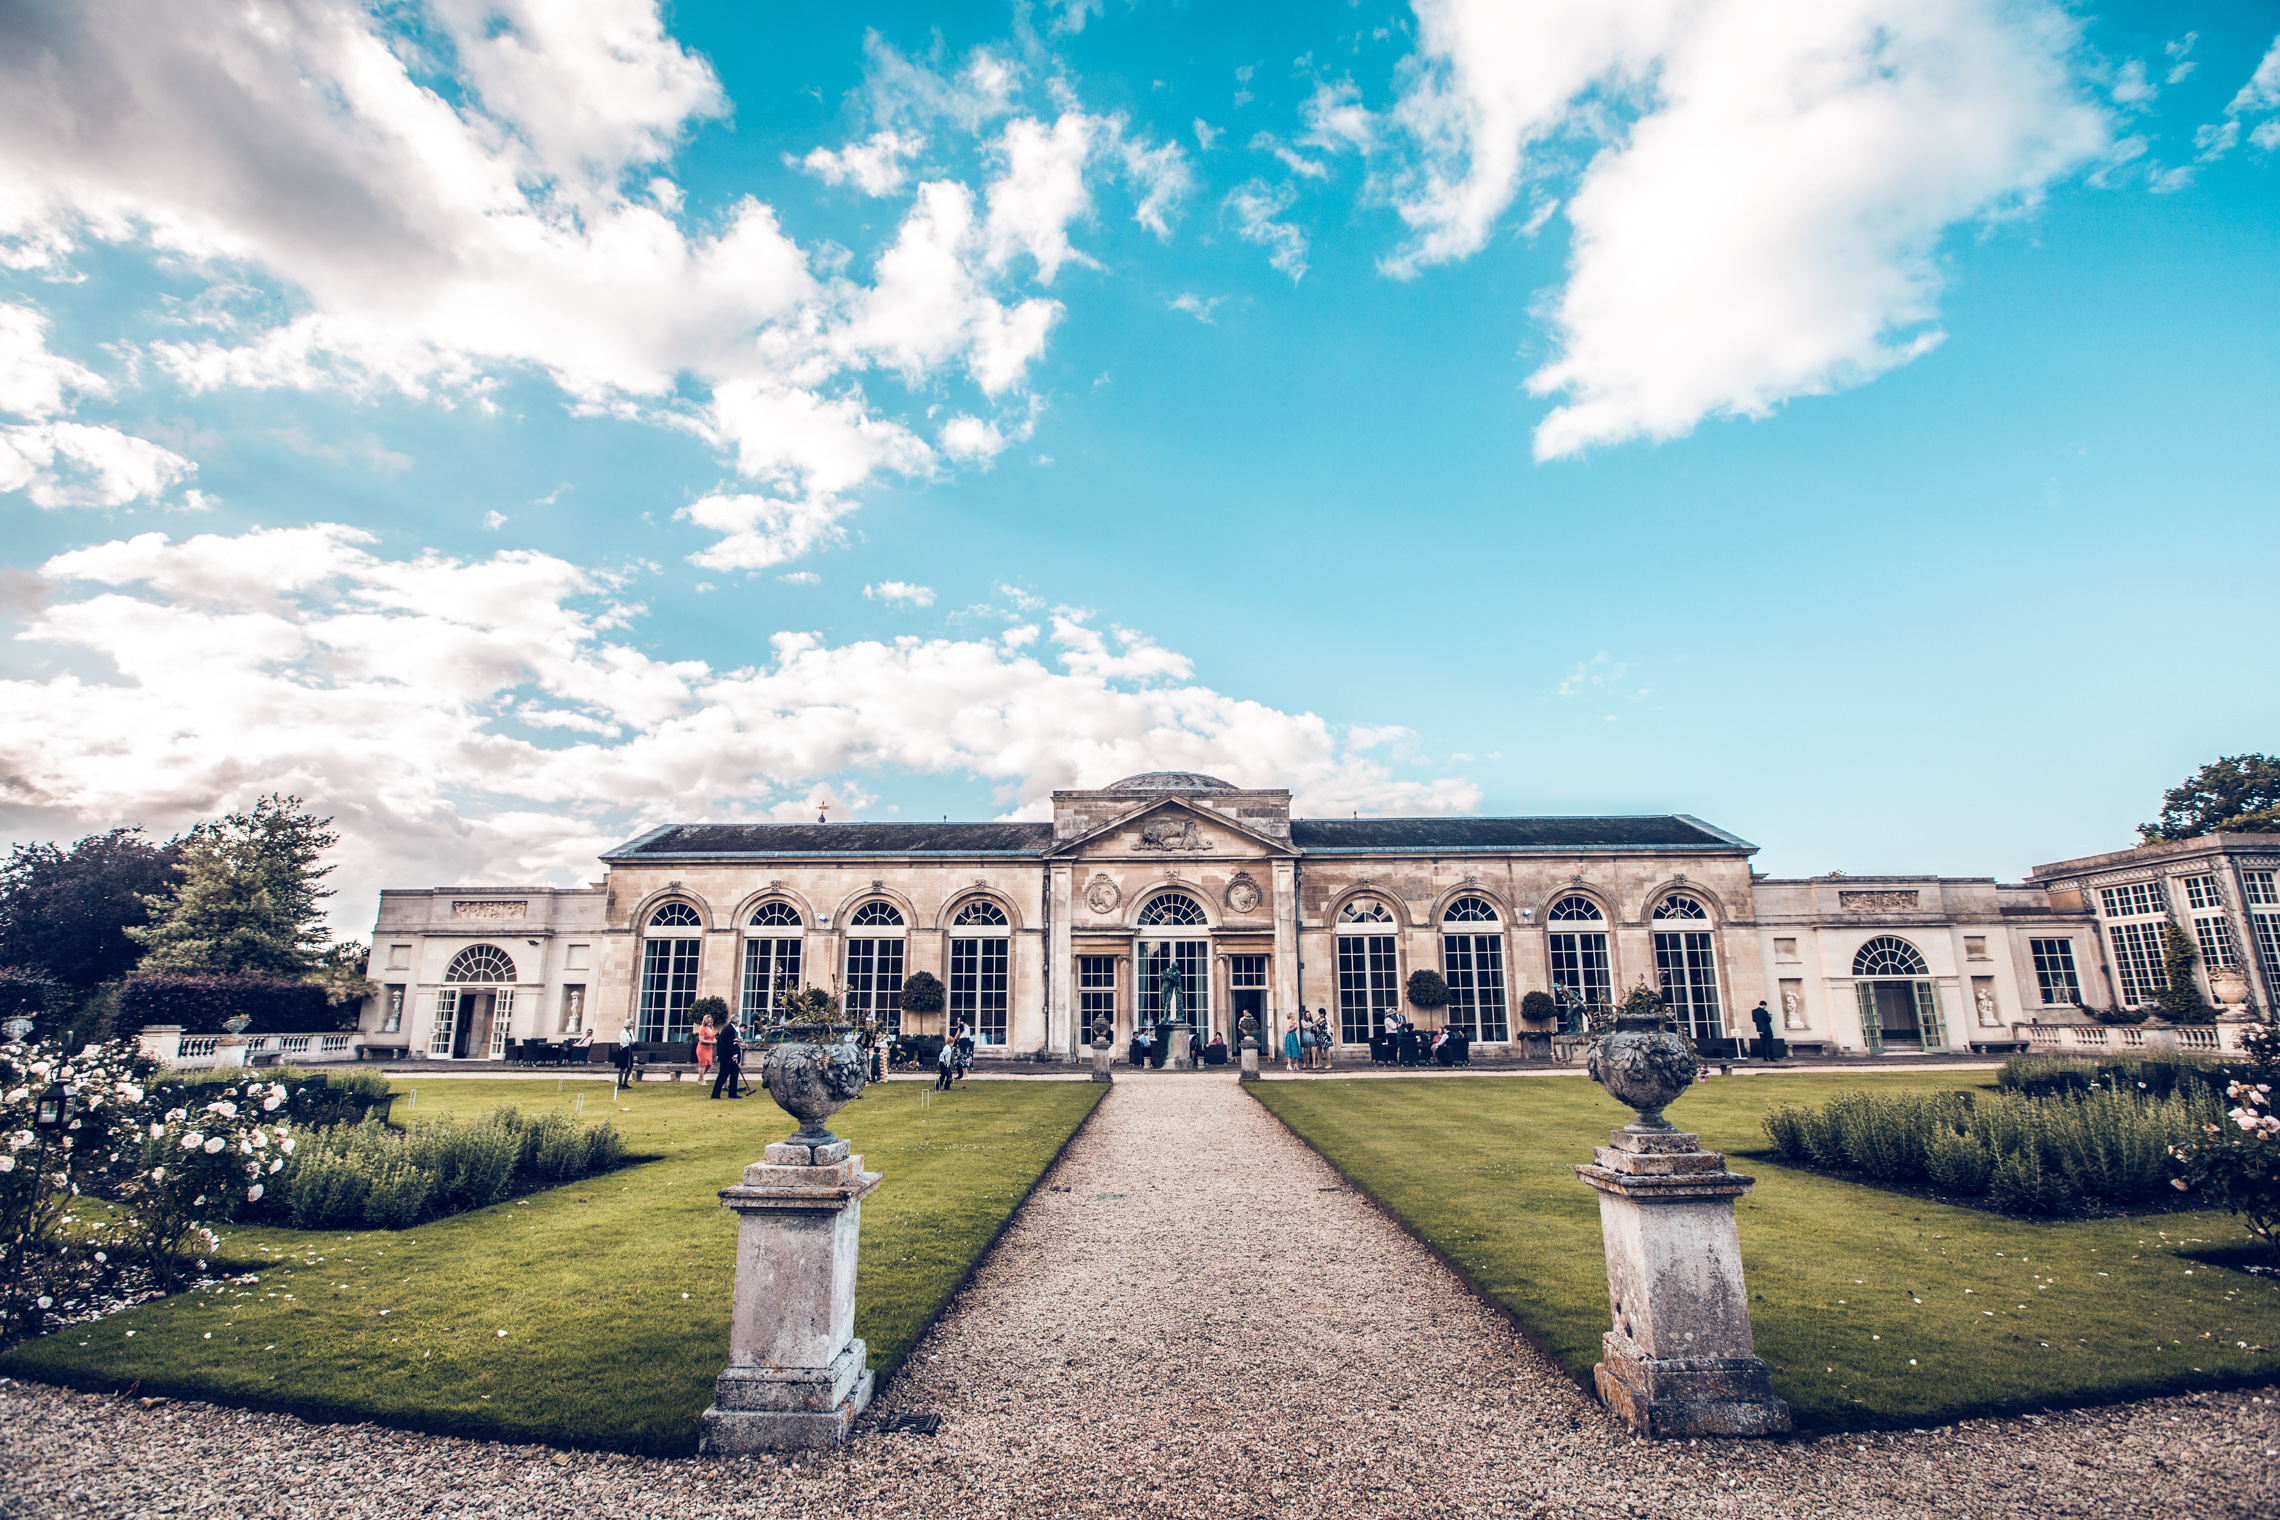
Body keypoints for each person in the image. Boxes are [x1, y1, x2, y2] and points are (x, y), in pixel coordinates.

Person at [710, 1014, 743, 1099]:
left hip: (725, 1056)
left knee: (734, 1073)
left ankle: (732, 1093)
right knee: (723, 1075)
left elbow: (720, 1041)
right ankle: (716, 1094)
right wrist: (734, 1055)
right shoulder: (731, 1030)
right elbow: (731, 1044)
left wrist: (718, 1054)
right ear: (737, 1022)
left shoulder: (726, 1028)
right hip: (728, 1057)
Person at [612, 1018, 635, 1091]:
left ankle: (625, 1082)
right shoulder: (623, 1032)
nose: (632, 1025)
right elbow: (624, 1042)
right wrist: (630, 1041)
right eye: (631, 1024)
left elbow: (633, 1040)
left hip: (629, 1050)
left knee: (630, 1067)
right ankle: (620, 1084)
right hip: (623, 1050)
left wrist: (632, 1041)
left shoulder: (630, 1031)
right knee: (623, 1067)